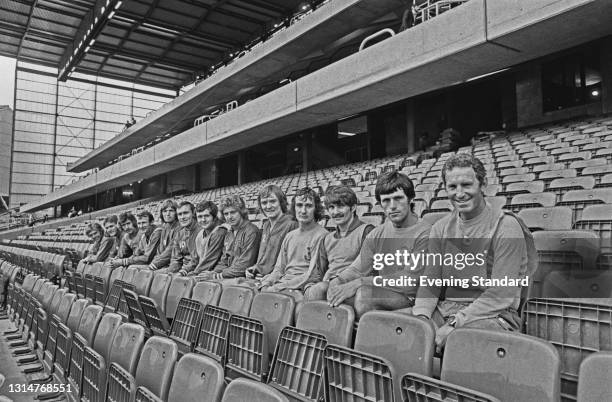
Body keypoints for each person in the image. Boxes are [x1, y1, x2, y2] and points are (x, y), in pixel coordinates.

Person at [411, 154, 530, 352]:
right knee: (401, 328)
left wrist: (454, 324)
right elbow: (431, 282)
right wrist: (422, 318)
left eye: (467, 185)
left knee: (458, 342)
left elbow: (500, 295)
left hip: (494, 314)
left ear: (483, 185)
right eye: (452, 187)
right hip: (446, 308)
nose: (459, 193)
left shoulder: (506, 226)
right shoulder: (440, 228)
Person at [326, 171, 430, 318]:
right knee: (325, 291)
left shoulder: (426, 232)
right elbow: (357, 269)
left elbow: (410, 281)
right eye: (386, 200)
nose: (392, 206)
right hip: (384, 290)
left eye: (398, 198)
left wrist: (358, 283)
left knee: (364, 296)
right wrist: (338, 281)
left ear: (410, 199)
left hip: (412, 298)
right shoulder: (377, 233)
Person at [304, 185, 374, 301]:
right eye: (331, 207)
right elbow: (318, 273)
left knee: (319, 290)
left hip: (354, 289)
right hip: (328, 288)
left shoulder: (367, 231)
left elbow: (368, 270)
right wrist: (309, 287)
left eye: (340, 206)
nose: (335, 212)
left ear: (353, 208)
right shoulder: (326, 239)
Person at [258, 188, 328, 301]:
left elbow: (313, 275)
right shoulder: (290, 236)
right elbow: (279, 268)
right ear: (294, 208)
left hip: (301, 288)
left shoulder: (322, 235)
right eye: (299, 205)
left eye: (309, 206)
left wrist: (277, 287)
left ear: (316, 209)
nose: (303, 211)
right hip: (283, 284)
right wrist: (267, 283)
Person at [197, 195, 260, 281]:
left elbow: (244, 265)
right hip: (228, 276)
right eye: (226, 214)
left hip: (243, 278)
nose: (229, 217)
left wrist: (217, 276)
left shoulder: (251, 231)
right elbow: (224, 261)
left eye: (233, 212)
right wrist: (214, 272)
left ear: (241, 212)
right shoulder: (229, 233)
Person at [245, 185, 298, 280]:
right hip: (258, 278)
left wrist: (273, 276)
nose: (268, 206)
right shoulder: (265, 225)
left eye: (273, 201)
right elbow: (264, 258)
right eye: (264, 203)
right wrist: (254, 268)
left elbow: (293, 261)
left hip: (277, 280)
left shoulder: (292, 224)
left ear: (281, 202)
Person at [190, 201, 227, 277]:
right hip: (203, 271)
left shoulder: (220, 231)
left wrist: (195, 273)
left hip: (215, 272)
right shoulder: (200, 234)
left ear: (214, 217)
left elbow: (210, 259)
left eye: (206, 216)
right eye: (200, 217)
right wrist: (185, 270)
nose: (203, 220)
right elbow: (195, 259)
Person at [166, 201, 202, 275]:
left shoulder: (201, 231)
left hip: (196, 271)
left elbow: (196, 260)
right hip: (182, 270)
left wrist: (182, 272)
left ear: (193, 213)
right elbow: (176, 259)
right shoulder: (179, 234)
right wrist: (170, 271)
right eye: (179, 214)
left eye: (185, 213)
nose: (182, 217)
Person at [148, 200, 180, 271]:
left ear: (176, 212)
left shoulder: (179, 227)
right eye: (165, 211)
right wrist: (154, 262)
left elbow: (170, 250)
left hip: (174, 264)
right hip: (163, 264)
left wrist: (155, 264)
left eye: (171, 211)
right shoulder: (164, 227)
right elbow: (160, 250)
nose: (167, 214)